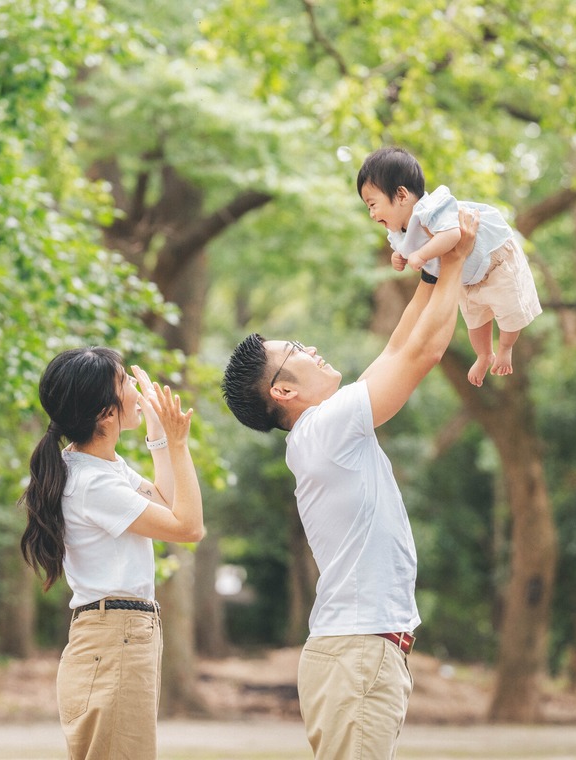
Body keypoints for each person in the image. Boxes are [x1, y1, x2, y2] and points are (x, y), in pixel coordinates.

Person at [220, 209, 478, 759]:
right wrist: (455, 261)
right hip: (358, 653)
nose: (310, 349)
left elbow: (394, 349)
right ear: (284, 393)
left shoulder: (324, 429)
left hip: (359, 651)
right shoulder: (325, 430)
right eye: (295, 353)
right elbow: (423, 354)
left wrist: (430, 275)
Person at [19, 347, 204, 760]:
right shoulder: (91, 484)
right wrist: (178, 444)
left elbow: (163, 502)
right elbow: (189, 527)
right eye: (125, 382)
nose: (138, 390)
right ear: (106, 412)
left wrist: (158, 436)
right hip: (115, 637)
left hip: (120, 635)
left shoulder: (101, 469)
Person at [357, 146, 543, 385]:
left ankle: (506, 348)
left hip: (494, 259)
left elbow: (452, 235)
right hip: (468, 277)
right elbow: (404, 251)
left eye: (373, 204)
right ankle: (484, 355)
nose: (371, 214)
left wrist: (422, 254)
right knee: (474, 320)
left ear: (402, 195)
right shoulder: (397, 231)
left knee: (508, 309)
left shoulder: (431, 209)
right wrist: (399, 258)